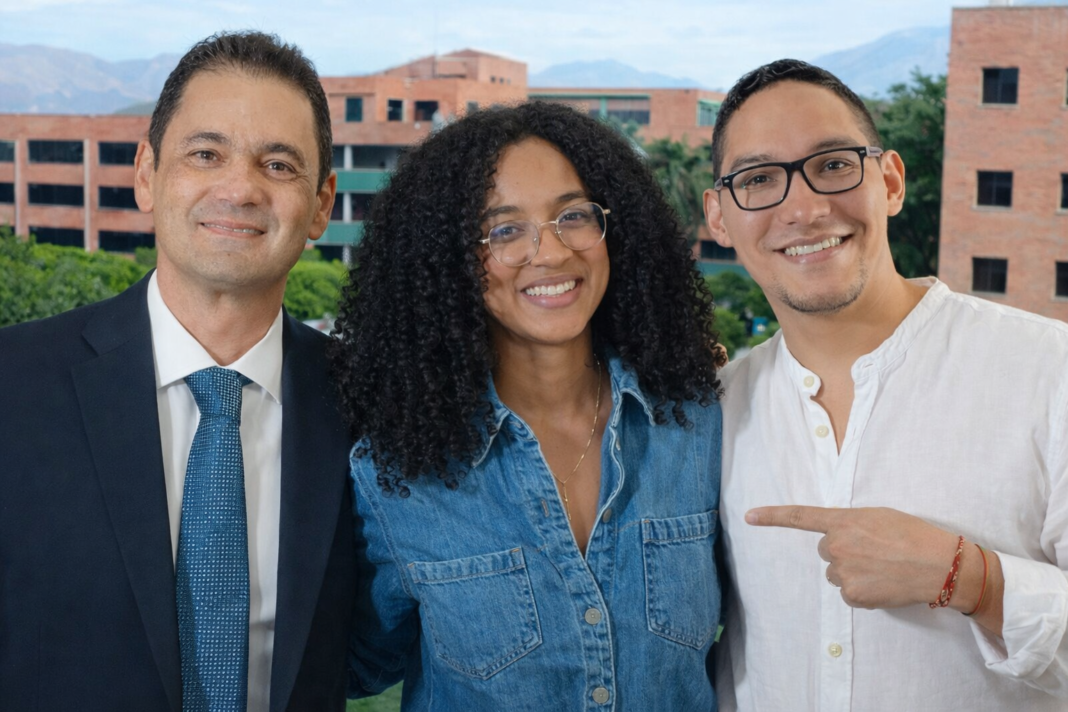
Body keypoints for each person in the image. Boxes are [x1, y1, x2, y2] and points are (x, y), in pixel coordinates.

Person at [0, 32, 356, 711]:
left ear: (320, 204)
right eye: (205, 153)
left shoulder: (367, 403)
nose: (240, 187)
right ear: (145, 174)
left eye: (279, 164)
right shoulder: (11, 386)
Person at [332, 101, 723, 710]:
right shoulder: (396, 476)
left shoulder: (697, 427)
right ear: (448, 260)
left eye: (573, 216)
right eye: (504, 229)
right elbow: (346, 666)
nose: (551, 252)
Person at [703, 58, 1068, 710]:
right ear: (720, 218)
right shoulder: (717, 411)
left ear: (891, 182)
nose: (806, 207)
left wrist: (975, 582)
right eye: (759, 179)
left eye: (834, 164)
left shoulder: (1049, 372)